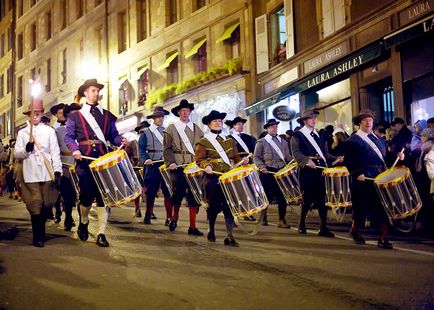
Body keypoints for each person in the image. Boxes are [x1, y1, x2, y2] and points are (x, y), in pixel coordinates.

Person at [64, 79, 128, 247]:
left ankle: (101, 233)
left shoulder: (107, 115)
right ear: (85, 93)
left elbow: (112, 135)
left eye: (97, 90)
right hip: (85, 160)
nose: (96, 93)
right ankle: (83, 222)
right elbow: (69, 137)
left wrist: (120, 139)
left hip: (102, 160)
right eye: (93, 90)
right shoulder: (75, 116)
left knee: (103, 197)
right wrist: (74, 149)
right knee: (86, 197)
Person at [344, 110, 405, 249]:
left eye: (370, 120)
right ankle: (355, 231)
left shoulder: (379, 140)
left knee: (382, 207)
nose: (368, 122)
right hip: (363, 178)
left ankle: (383, 237)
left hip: (379, 177)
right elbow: (349, 160)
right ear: (359, 123)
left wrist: (397, 155)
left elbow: (386, 157)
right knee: (361, 208)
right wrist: (357, 172)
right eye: (365, 120)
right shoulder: (352, 141)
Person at [195, 110, 249, 245]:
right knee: (213, 206)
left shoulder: (230, 140)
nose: (218, 123)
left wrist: (243, 161)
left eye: (220, 121)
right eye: (215, 121)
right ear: (209, 124)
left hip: (227, 176)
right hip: (212, 177)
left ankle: (230, 236)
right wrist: (206, 165)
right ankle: (211, 230)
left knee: (229, 206)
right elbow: (199, 159)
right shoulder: (204, 141)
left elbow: (236, 158)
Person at [14, 99, 62, 247]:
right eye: (32, 114)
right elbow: (17, 153)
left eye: (38, 114)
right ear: (29, 115)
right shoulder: (22, 133)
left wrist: (58, 170)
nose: (35, 116)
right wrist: (26, 150)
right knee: (36, 203)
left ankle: (41, 231)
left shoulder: (49, 131)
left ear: (42, 114)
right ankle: (37, 236)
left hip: (47, 172)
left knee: (47, 204)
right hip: (30, 173)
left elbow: (55, 152)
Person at [290, 109, 342, 237]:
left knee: (322, 200)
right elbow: (296, 153)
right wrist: (307, 161)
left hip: (320, 170)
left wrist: (335, 158)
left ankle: (323, 227)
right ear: (304, 121)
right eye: (311, 118)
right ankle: (301, 223)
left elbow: (324, 153)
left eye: (314, 118)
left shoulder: (320, 135)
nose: (314, 120)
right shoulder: (297, 135)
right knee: (307, 199)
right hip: (307, 171)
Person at [163, 99, 204, 235]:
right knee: (177, 193)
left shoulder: (197, 128)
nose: (185, 113)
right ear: (179, 112)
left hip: (193, 166)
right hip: (178, 165)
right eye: (183, 111)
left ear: (190, 112)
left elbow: (202, 147)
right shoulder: (171, 128)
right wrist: (171, 163)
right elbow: (167, 148)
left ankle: (192, 227)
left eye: (187, 110)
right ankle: (175, 217)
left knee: (194, 195)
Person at [254, 119, 292, 227]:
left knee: (282, 196)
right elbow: (256, 157)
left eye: (276, 126)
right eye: (272, 127)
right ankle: (263, 218)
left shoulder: (283, 141)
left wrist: (293, 163)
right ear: (267, 129)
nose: (275, 128)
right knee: (266, 196)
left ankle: (282, 220)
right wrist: (261, 166)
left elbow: (288, 156)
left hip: (281, 171)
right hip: (268, 171)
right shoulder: (261, 142)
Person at [139, 107, 172, 225]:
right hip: (152, 164)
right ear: (153, 118)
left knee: (168, 191)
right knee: (151, 192)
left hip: (165, 164)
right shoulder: (145, 132)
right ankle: (148, 215)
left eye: (162, 117)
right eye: (158, 117)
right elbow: (141, 149)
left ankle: (169, 218)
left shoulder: (167, 131)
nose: (160, 119)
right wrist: (146, 159)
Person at [50, 103, 77, 231]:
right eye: (60, 113)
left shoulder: (75, 126)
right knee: (61, 191)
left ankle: (70, 216)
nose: (62, 115)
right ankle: (59, 213)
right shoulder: (55, 130)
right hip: (63, 163)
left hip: (75, 162)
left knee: (72, 193)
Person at [128, 120, 150, 218]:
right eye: (142, 131)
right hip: (138, 169)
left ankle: (149, 211)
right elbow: (127, 156)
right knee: (138, 190)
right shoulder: (133, 143)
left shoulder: (152, 141)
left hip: (149, 167)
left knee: (149, 190)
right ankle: (138, 208)